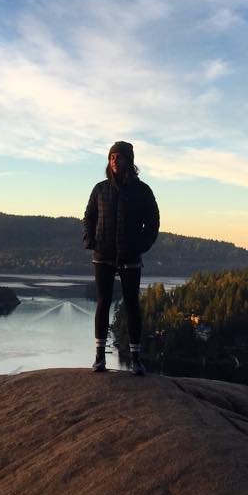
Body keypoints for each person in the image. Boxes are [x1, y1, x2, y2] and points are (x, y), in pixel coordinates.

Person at [82, 141, 160, 375]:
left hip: (130, 255)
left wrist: (141, 246)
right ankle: (99, 358)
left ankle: (136, 358)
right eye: (111, 157)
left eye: (119, 156)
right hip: (102, 254)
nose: (114, 160)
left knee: (132, 304)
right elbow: (89, 217)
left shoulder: (142, 190)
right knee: (103, 303)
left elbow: (153, 222)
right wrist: (91, 241)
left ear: (130, 161)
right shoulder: (99, 189)